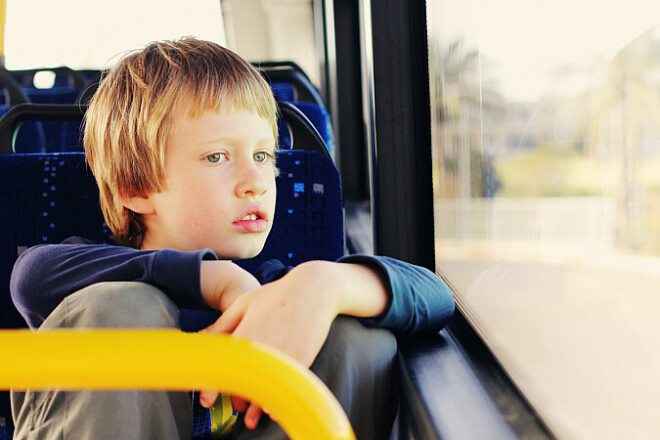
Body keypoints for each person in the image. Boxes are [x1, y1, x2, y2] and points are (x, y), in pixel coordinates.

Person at [10, 37, 454, 440]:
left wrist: (323, 285)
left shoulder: (277, 291)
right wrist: (210, 277)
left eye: (263, 155)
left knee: (358, 336)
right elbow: (30, 276)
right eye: (217, 156)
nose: (255, 181)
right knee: (119, 307)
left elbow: (436, 296)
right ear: (135, 189)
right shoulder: (87, 269)